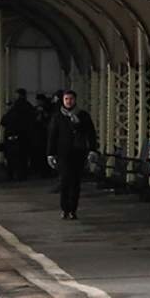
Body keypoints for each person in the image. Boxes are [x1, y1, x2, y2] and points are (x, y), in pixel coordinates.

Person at [47, 90, 98, 220]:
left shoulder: (83, 115)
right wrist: (50, 154)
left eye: (71, 99)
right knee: (64, 180)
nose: (69, 101)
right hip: (63, 153)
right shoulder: (57, 116)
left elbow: (91, 133)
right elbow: (52, 136)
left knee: (75, 182)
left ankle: (73, 210)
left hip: (78, 153)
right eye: (66, 99)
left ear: (75, 100)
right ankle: (64, 208)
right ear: (63, 101)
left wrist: (92, 150)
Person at [1, 89, 34, 181]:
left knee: (10, 158)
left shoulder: (13, 109)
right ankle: (22, 175)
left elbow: (3, 122)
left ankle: (10, 175)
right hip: (24, 136)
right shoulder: (28, 106)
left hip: (11, 136)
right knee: (23, 157)